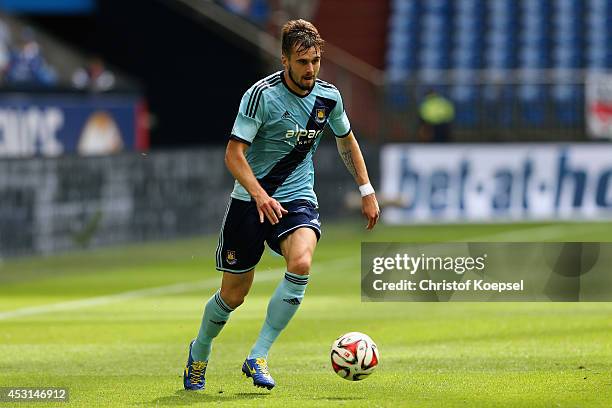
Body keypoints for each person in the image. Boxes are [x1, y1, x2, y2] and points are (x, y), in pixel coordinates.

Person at [183, 19, 380, 391]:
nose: (311, 69)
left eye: (316, 61)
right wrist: (259, 194)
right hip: (250, 202)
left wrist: (366, 189)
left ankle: (258, 355)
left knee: (302, 262)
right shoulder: (261, 96)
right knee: (233, 295)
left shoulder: (329, 97)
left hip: (297, 198)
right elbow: (233, 154)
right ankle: (200, 350)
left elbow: (346, 140)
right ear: (285, 59)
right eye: (303, 61)